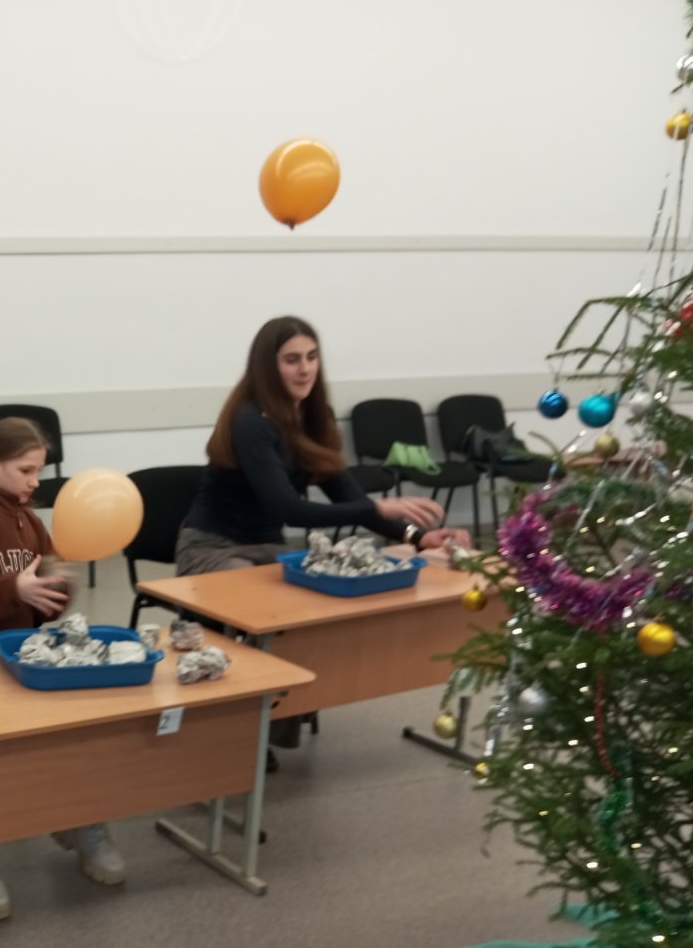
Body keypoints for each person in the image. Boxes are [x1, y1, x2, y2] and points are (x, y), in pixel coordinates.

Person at [175, 315, 472, 756]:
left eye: (311, 357)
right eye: (292, 360)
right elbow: (290, 509)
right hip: (212, 546)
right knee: (265, 611)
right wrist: (376, 507)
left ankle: (266, 729)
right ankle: (233, 739)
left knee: (306, 616)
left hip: (267, 547)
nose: (305, 369)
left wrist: (416, 536)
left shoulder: (313, 417)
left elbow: (345, 493)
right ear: (267, 367)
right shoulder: (250, 421)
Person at [0, 417, 126, 921]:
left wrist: (57, 588)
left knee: (77, 725)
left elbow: (41, 600)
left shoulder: (28, 519)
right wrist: (11, 590)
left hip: (20, 646)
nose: (36, 481)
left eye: (39, 470)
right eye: (26, 470)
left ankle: (78, 818)